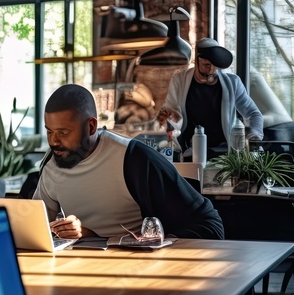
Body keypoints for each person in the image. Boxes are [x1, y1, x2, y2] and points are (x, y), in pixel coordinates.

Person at [35, 84, 223, 240]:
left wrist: (154, 241)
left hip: (139, 270)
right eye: (49, 131)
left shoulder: (135, 159)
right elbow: (35, 231)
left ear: (91, 126)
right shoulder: (52, 164)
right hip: (81, 269)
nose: (53, 142)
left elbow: (211, 226)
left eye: (63, 132)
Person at [157, 38, 263, 155]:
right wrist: (170, 129)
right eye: (206, 65)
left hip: (225, 154)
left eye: (215, 65)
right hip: (190, 152)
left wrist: (255, 135)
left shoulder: (233, 83)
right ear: (197, 59)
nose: (211, 70)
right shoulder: (179, 81)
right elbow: (171, 113)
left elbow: (253, 113)